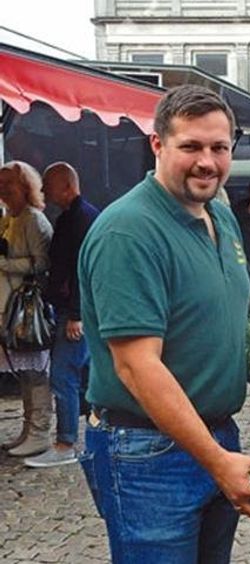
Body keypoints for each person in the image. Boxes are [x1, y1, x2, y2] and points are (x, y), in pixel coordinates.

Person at [78, 84, 250, 563]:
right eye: (191, 146)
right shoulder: (129, 231)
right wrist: (217, 461)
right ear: (158, 144)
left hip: (218, 437)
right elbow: (136, 367)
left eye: (219, 147)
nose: (207, 162)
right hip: (147, 453)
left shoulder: (221, 217)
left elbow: (233, 323)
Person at [23, 163, 100, 468]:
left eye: (49, 185)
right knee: (82, 373)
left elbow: (84, 269)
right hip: (72, 308)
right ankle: (91, 433)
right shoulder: (74, 217)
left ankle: (66, 442)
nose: (44, 191)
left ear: (67, 186)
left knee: (63, 374)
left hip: (75, 310)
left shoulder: (80, 219)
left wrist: (77, 314)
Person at [0, 161, 54, 458]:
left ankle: (39, 432)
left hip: (26, 310)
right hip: (8, 308)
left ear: (24, 186)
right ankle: (28, 429)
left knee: (34, 371)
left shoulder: (33, 220)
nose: (3, 189)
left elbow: (41, 262)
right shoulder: (10, 217)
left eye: (8, 183)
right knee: (22, 373)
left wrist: (5, 264)